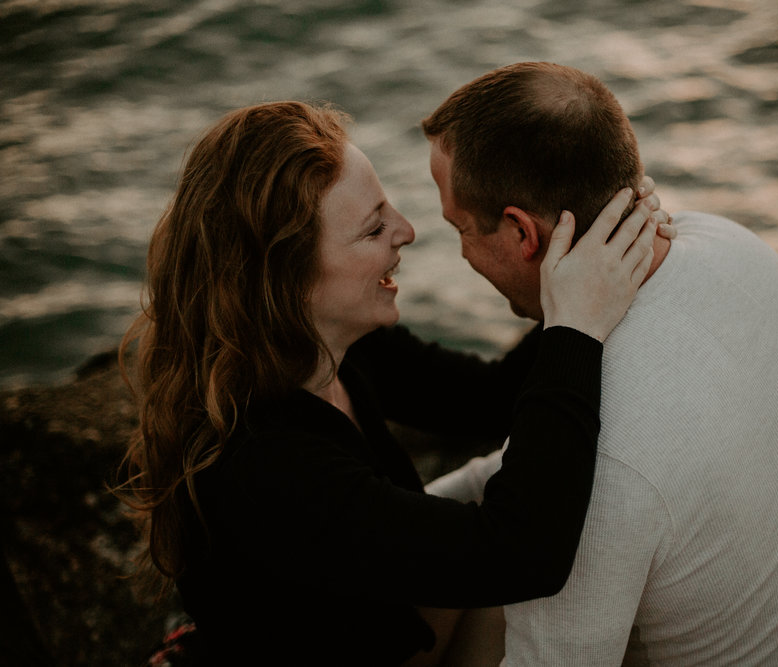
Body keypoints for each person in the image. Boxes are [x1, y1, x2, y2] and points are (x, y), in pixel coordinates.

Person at [116, 100, 667, 665]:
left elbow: (491, 399)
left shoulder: (339, 347)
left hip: (390, 624)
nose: (406, 231)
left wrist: (582, 255)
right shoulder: (263, 463)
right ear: (289, 280)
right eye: (374, 227)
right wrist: (575, 329)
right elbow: (525, 554)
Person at [422, 62, 778, 666]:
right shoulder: (729, 242)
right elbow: (530, 467)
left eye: (459, 228)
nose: (457, 248)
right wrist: (420, 507)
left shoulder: (588, 462)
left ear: (523, 233)